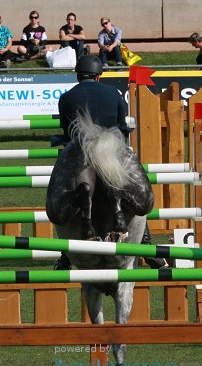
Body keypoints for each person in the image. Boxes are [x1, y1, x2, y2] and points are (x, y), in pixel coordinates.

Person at [52, 54, 165, 271]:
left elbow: (67, 132)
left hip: (80, 151)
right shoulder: (113, 93)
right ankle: (148, 247)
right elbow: (121, 127)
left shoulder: (66, 97)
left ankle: (65, 256)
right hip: (110, 150)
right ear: (98, 76)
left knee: (62, 194)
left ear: (78, 75)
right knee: (132, 190)